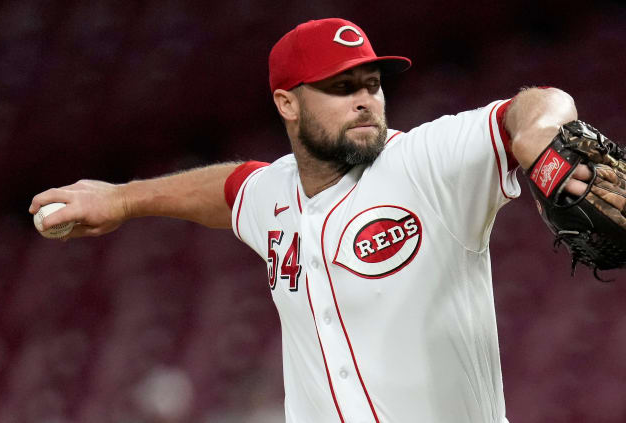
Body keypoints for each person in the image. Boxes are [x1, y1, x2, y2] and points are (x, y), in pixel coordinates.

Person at [30, 18, 595, 423]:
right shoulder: (272, 193)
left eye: (372, 84)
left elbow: (538, 102)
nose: (366, 100)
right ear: (287, 104)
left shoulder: (428, 162)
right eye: (341, 87)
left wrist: (540, 135)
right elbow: (229, 190)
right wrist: (125, 199)